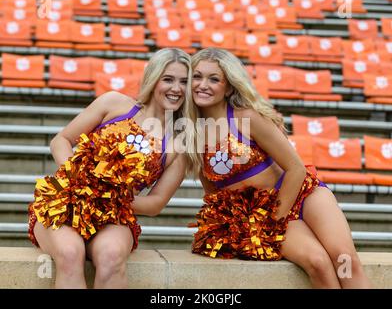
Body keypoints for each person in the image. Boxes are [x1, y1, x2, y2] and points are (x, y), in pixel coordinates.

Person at [188, 47, 371, 289]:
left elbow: (296, 168)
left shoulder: (247, 117)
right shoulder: (190, 131)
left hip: (299, 195)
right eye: (197, 77)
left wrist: (274, 222)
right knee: (317, 262)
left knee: (345, 258)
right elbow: (212, 191)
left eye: (214, 79)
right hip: (256, 212)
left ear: (229, 87)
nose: (203, 84)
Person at [28, 48, 194, 289]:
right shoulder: (114, 103)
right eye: (168, 79)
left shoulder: (182, 141)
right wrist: (81, 179)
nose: (176, 88)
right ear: (153, 78)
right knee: (70, 254)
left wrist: (108, 198)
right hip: (66, 202)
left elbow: (156, 203)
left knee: (111, 257)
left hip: (115, 215)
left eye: (184, 82)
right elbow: (61, 141)